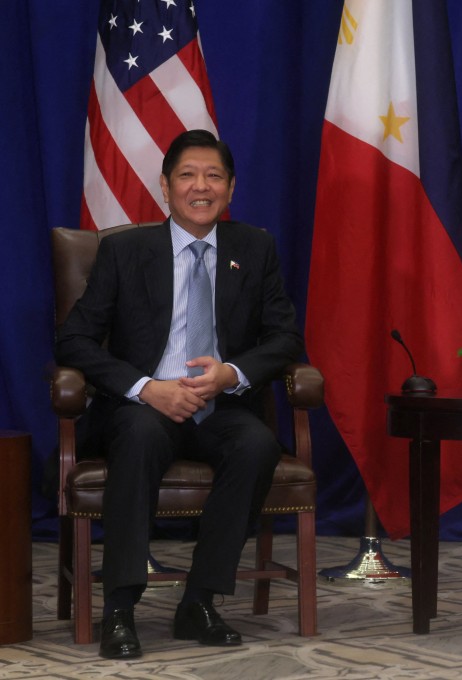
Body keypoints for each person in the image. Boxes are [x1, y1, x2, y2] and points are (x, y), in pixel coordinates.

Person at [55, 129, 303, 659]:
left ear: (231, 188)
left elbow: (285, 338)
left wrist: (230, 373)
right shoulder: (124, 251)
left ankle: (200, 601)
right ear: (165, 187)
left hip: (221, 407)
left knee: (256, 444)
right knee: (139, 436)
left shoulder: (254, 248)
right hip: (144, 408)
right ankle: (120, 608)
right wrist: (147, 388)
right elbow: (73, 339)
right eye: (187, 175)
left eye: (214, 176)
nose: (201, 186)